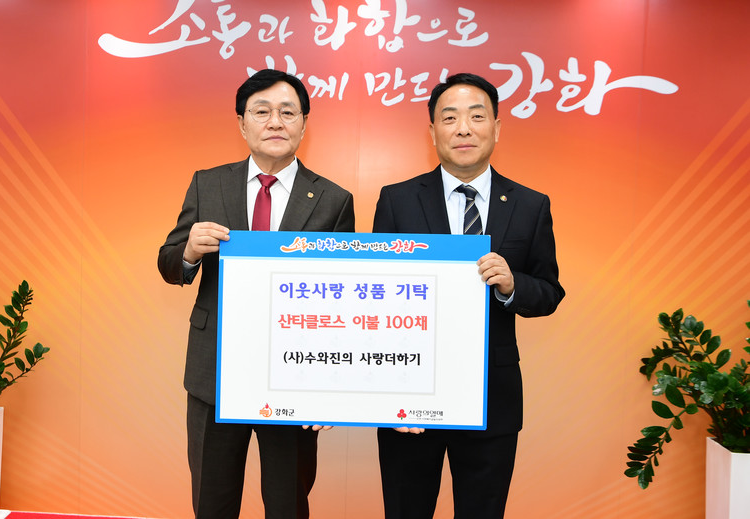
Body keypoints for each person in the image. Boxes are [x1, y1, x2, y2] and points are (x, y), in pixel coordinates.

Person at [158, 69, 355, 519]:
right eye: (262, 112)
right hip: (214, 371)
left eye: (288, 112)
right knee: (212, 501)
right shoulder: (209, 183)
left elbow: (341, 298)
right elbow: (169, 263)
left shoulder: (333, 199)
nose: (275, 122)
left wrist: (330, 386)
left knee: (288, 502)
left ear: (304, 123)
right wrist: (188, 251)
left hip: (295, 376)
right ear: (242, 123)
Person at [372, 73, 565, 518]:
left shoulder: (530, 205)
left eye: (477, 117)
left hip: (492, 399)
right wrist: (389, 391)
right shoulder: (397, 200)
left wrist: (512, 285)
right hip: (411, 397)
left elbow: (549, 291)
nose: (463, 128)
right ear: (432, 131)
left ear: (496, 128)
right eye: (450, 118)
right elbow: (376, 295)